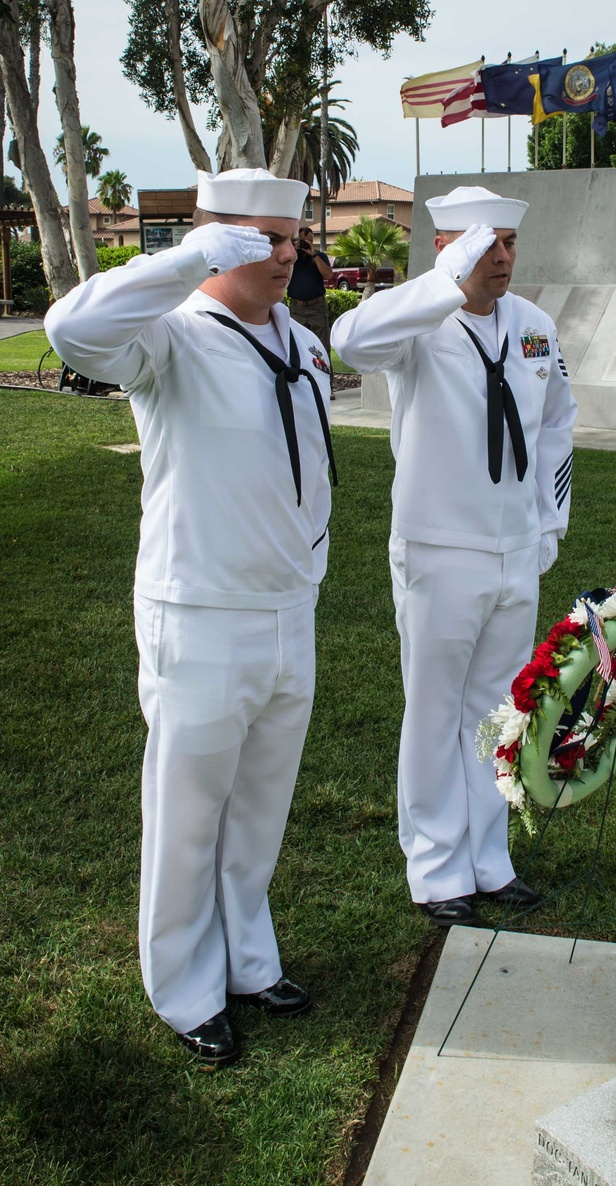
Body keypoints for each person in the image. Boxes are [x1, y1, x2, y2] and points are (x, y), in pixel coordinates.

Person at [45, 168, 336, 1066]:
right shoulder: (168, 338)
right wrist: (186, 259)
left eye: (292, 236)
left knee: (259, 810)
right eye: (262, 237)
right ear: (217, 236)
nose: (286, 253)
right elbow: (70, 329)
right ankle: (185, 989)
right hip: (203, 613)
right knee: (187, 813)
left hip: (291, 610)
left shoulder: (307, 346)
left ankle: (248, 958)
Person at [332, 185, 576, 927]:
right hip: (439, 548)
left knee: (500, 709)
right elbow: (350, 341)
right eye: (485, 245)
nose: (501, 258)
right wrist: (438, 286)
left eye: (509, 243)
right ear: (446, 248)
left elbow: (557, 423)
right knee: (436, 710)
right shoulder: (418, 324)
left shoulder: (532, 327)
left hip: (512, 550)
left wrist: (549, 522)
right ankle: (437, 869)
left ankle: (488, 859)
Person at [288, 226, 333, 354]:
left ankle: (326, 373)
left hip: (316, 307)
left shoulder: (319, 256)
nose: (307, 244)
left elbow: (328, 275)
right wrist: (293, 251)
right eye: (304, 241)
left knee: (322, 345)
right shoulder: (291, 258)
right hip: (297, 308)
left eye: (310, 241)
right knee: (297, 345)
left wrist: (314, 255)